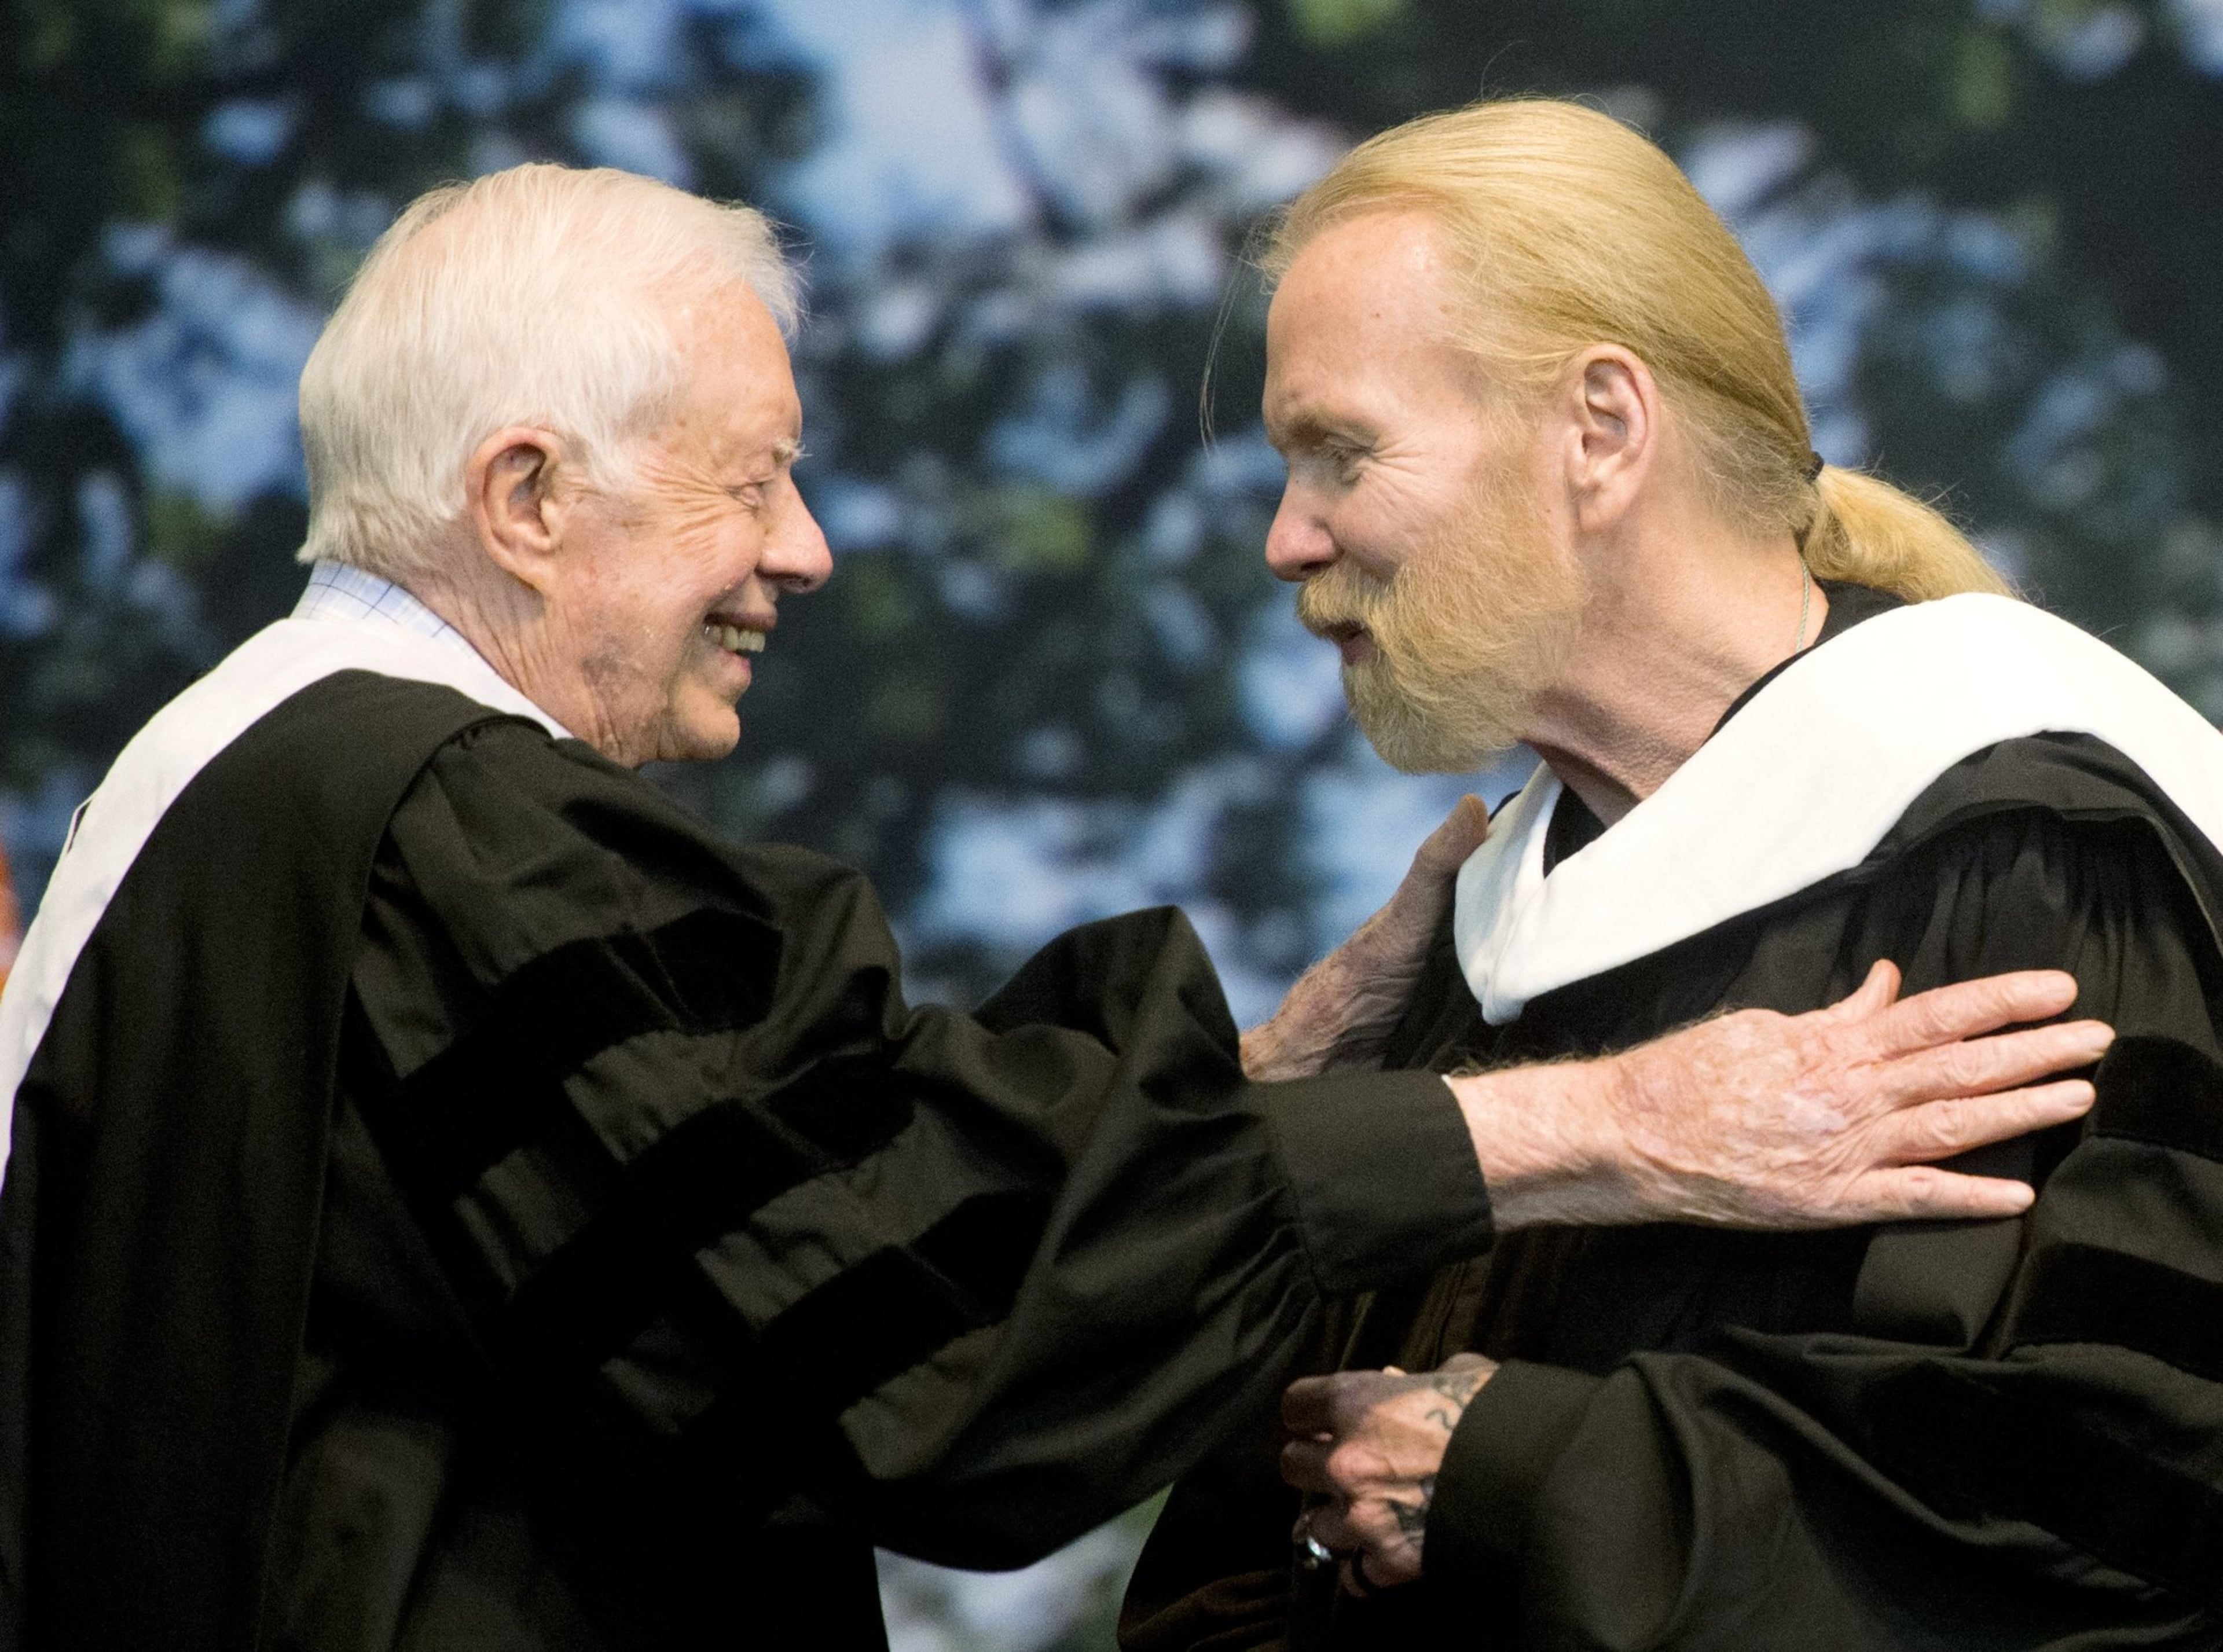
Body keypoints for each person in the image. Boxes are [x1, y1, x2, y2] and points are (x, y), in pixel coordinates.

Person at [0, 164, 2105, 1652]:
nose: (805, 555)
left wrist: (1264, 1074)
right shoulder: (436, 821)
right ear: (526, 498)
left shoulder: (242, 804)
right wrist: (1604, 1123)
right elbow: (890, 1319)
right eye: (754, 481)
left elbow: (761, 1199)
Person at [1120, 99, 2223, 1651]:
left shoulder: (2027, 857)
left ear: (1602, 430)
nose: (1289, 539)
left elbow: (2118, 1493)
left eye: (1341, 452)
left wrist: (1516, 1471)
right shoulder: (1464, 956)